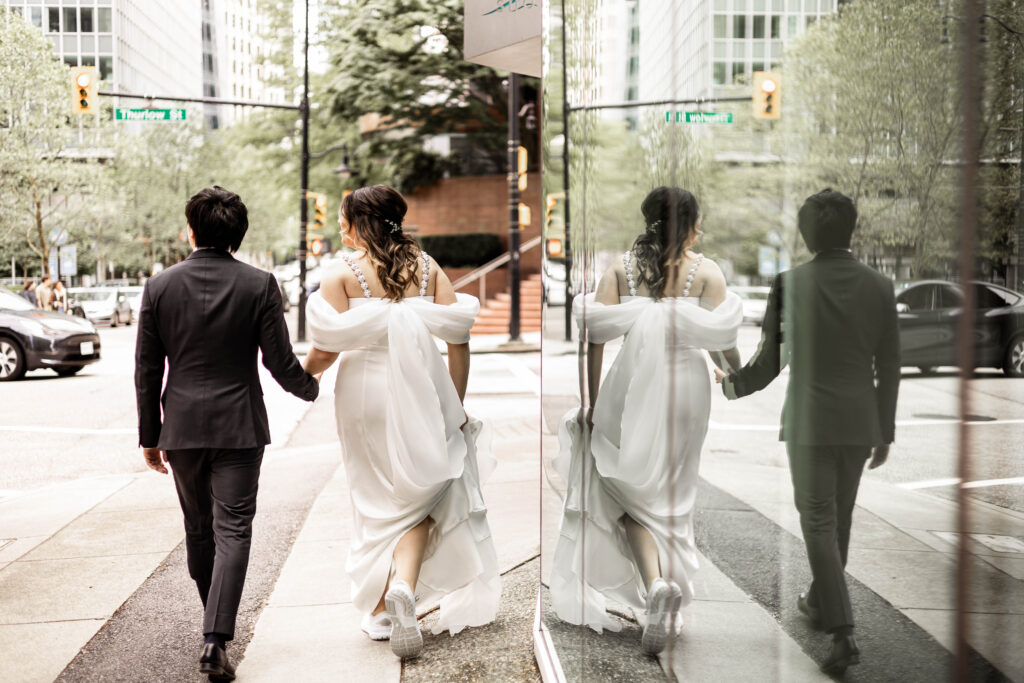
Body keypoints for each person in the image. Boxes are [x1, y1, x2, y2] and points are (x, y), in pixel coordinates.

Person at [302, 185, 500, 660]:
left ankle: (383, 607)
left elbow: (325, 352)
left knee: (373, 498)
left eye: (343, 219)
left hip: (362, 396)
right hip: (421, 391)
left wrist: (293, 375)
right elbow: (458, 340)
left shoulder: (340, 274)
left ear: (357, 224)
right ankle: (403, 588)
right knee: (426, 492)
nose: (339, 227)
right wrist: (454, 407)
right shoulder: (428, 268)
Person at [134, 186, 319, 681]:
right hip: (240, 426)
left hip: (183, 428)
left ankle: (211, 624)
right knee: (233, 529)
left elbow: (147, 370)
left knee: (199, 529)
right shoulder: (260, 284)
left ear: (191, 230)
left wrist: (150, 435)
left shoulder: (160, 287)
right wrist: (312, 389)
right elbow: (279, 363)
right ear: (238, 234)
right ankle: (215, 640)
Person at [715, 189, 900, 675]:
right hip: (860, 423)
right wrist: (885, 430)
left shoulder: (789, 284)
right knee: (837, 522)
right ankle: (819, 602)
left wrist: (731, 386)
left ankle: (843, 634)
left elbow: (772, 360)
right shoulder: (881, 287)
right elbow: (891, 367)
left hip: (809, 422)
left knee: (818, 522)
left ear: (805, 234)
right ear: (851, 229)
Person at [550, 187, 743, 655]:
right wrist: (736, 375)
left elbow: (593, 339)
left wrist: (592, 404)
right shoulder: (706, 272)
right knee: (673, 490)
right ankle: (664, 588)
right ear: (692, 221)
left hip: (629, 389)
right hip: (688, 390)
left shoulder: (621, 269)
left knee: (624, 489)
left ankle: (655, 584)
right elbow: (721, 340)